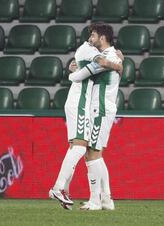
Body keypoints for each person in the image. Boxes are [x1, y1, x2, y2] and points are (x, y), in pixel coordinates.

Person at [49, 23, 122, 210]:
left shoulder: (108, 56)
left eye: (93, 36)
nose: (90, 39)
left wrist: (73, 73)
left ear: (102, 38)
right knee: (95, 154)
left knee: (90, 153)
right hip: (99, 108)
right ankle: (105, 199)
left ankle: (95, 200)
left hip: (100, 108)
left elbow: (80, 75)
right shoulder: (109, 55)